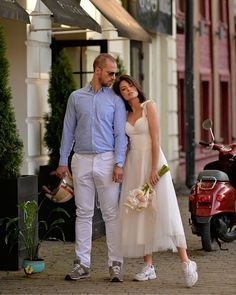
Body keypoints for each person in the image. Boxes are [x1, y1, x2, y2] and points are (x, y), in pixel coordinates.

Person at [112, 75, 198, 287]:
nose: (128, 90)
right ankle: (148, 266)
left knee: (165, 210)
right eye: (123, 89)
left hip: (154, 163)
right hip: (134, 165)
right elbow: (125, 142)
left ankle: (186, 262)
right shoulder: (124, 114)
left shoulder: (149, 106)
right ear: (120, 94)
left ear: (136, 87)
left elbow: (156, 139)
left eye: (130, 86)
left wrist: (154, 169)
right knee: (141, 211)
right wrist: (120, 164)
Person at [56, 53, 128, 282]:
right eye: (110, 73)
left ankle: (115, 264)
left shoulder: (115, 100)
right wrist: (62, 161)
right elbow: (68, 130)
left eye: (115, 73)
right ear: (97, 70)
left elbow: (120, 134)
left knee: (111, 214)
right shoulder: (76, 97)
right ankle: (82, 264)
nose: (114, 77)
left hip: (107, 160)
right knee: (83, 213)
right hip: (81, 160)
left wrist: (119, 163)